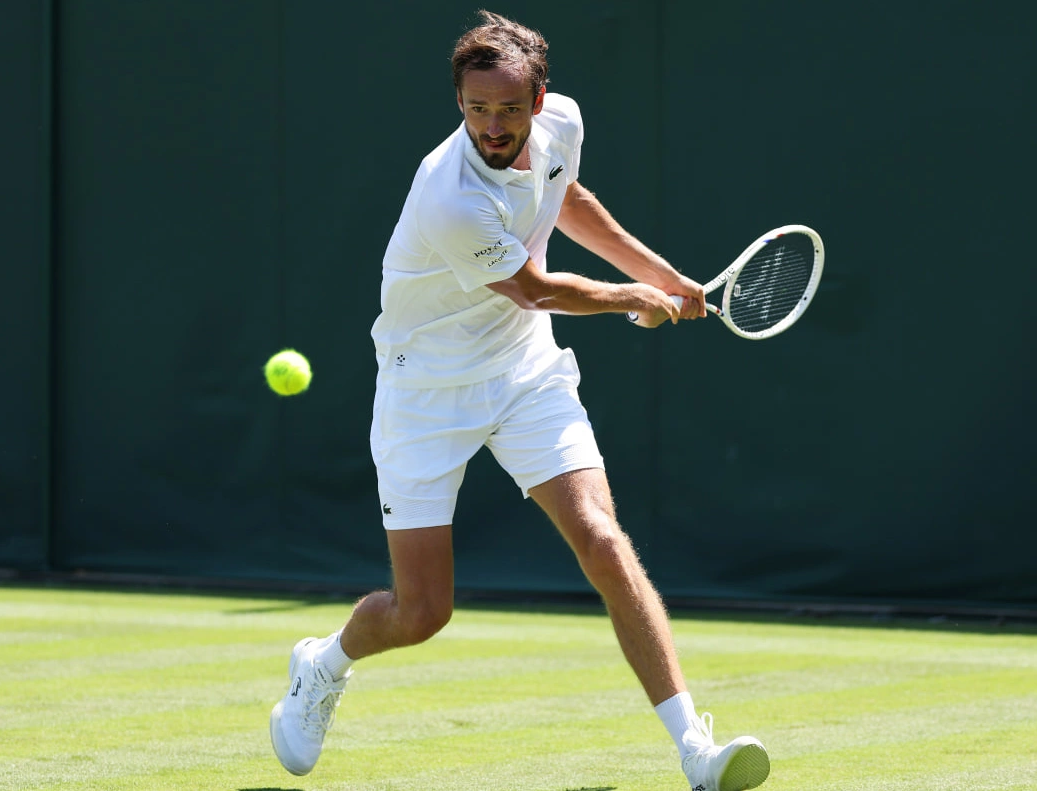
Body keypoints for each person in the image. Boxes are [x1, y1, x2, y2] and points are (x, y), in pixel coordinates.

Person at [270, 10, 770, 791]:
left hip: (523, 371)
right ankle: (324, 661)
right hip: (425, 390)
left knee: (604, 541)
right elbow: (534, 288)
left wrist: (663, 275)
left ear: (540, 100)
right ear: (459, 103)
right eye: (476, 108)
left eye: (508, 108)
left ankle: (695, 751)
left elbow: (567, 200)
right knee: (422, 611)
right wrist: (628, 297)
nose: (492, 125)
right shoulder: (450, 196)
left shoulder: (561, 124)